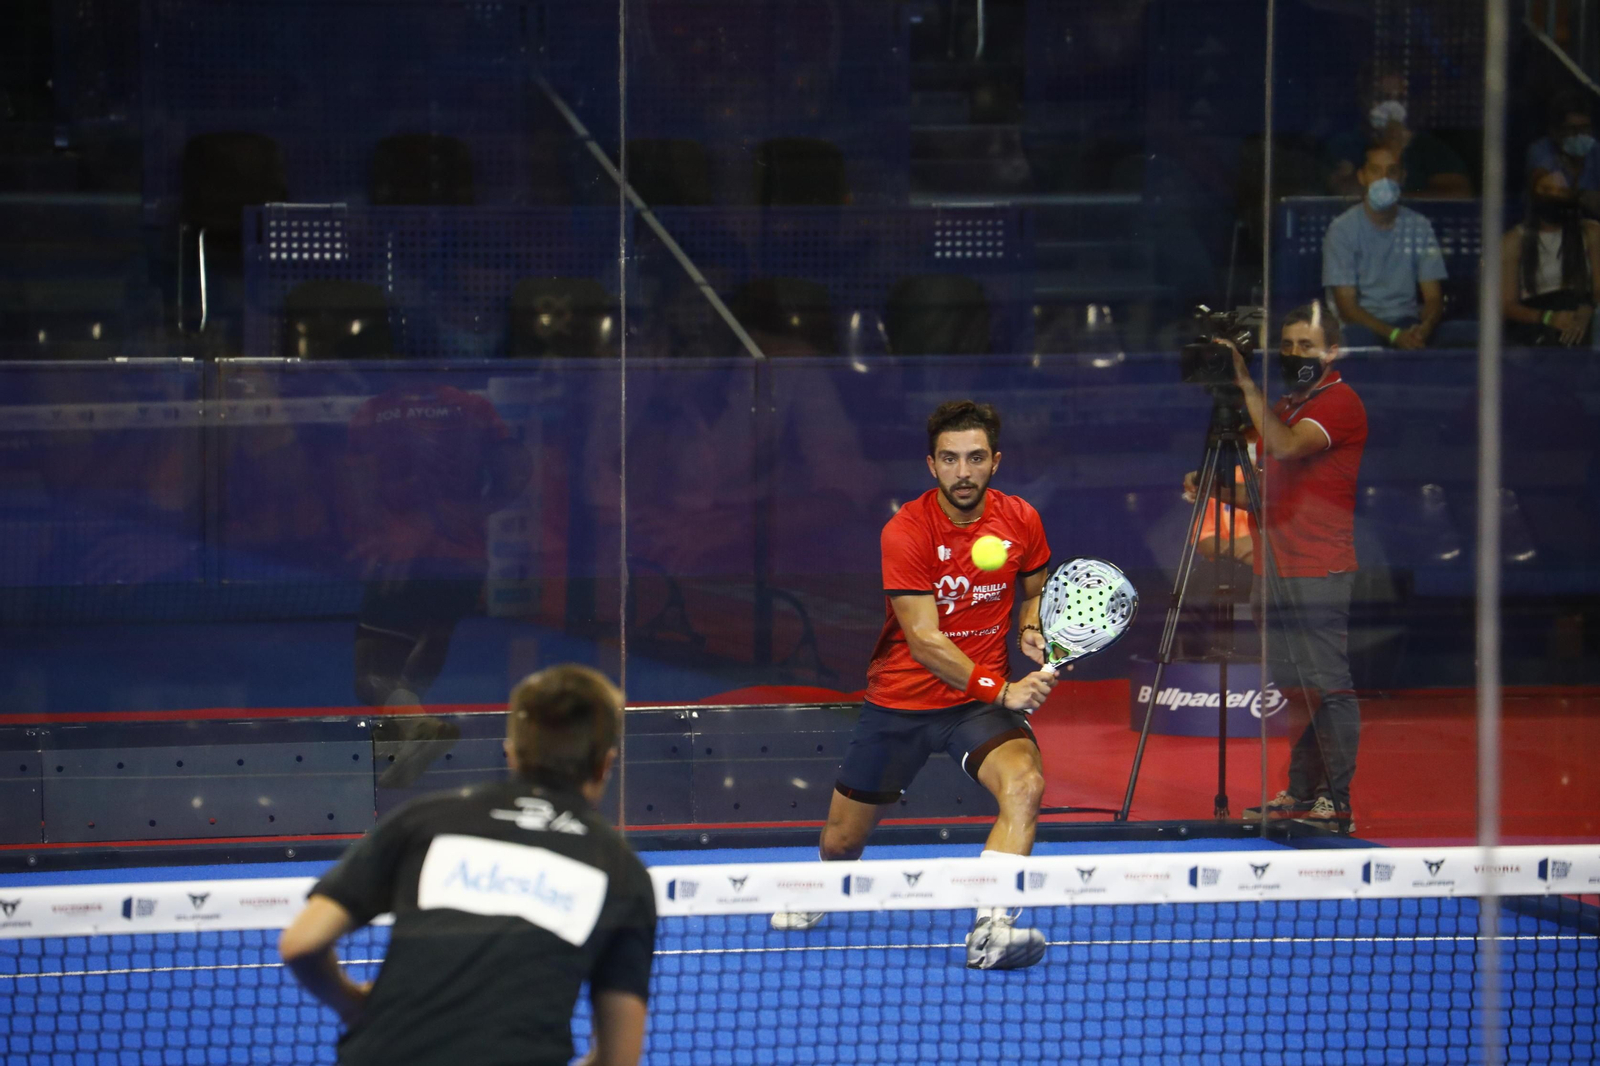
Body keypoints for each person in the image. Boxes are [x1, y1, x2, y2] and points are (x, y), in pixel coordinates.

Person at [771, 400, 1060, 970]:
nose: (963, 471)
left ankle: (991, 928)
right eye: (950, 459)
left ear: (995, 461)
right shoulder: (906, 531)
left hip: (973, 706)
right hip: (902, 701)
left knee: (1024, 784)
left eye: (975, 458)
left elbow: (1033, 588)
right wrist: (1002, 691)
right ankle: (822, 888)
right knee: (842, 844)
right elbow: (925, 641)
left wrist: (1030, 629)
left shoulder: (1021, 519)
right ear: (931, 465)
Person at [279, 665, 655, 1066]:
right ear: (605, 764)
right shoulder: (621, 871)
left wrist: (352, 1003)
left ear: (511, 752)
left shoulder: (426, 820)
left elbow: (302, 943)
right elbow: (618, 1060)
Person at [1183, 304, 1367, 831]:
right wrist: (1215, 488)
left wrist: (1243, 382)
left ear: (1332, 351)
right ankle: (1301, 793)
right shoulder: (1283, 405)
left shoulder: (1338, 404)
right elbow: (1269, 495)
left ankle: (1338, 801)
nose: (1293, 355)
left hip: (1319, 571)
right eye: (1286, 345)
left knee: (1328, 685)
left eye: (1306, 346)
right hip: (1273, 571)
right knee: (1293, 689)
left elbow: (1285, 448)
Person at [1323, 144, 1470, 350]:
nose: (1384, 179)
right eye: (1375, 171)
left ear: (1402, 177)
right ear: (1362, 177)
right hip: (1363, 327)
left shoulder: (1419, 225)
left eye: (1391, 171)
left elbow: (1433, 297)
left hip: (1407, 322)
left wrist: (1424, 328)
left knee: (1469, 334)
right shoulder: (1342, 230)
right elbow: (1348, 308)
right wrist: (1394, 335)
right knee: (1356, 340)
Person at [1325, 71, 1473, 199]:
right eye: (1383, 97)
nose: (1392, 106)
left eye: (1400, 98)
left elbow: (1458, 193)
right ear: (1364, 99)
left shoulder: (1430, 149)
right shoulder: (1342, 145)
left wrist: (1390, 200)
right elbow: (1345, 192)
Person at [1501, 169, 1600, 347]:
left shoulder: (1591, 232)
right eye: (1546, 190)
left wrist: (1587, 310)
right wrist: (1548, 317)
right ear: (1532, 195)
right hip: (1537, 318)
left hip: (1583, 309)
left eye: (1562, 191)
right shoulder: (1513, 241)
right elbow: (1507, 305)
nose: (1554, 196)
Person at [1526, 89, 1600, 218]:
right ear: (1554, 132)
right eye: (1572, 129)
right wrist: (1582, 197)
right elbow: (1543, 188)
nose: (1580, 135)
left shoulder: (1596, 151)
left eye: (1585, 128)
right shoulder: (1541, 150)